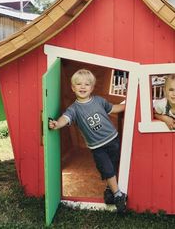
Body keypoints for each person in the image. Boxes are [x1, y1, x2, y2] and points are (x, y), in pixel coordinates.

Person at [48, 69, 127, 213]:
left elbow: (113, 108)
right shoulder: (74, 109)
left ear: (92, 87)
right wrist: (57, 124)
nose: (82, 87)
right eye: (78, 84)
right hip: (98, 147)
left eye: (86, 84)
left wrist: (129, 104)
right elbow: (65, 118)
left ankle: (109, 191)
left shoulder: (99, 100)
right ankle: (118, 196)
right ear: (73, 88)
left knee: (114, 166)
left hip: (113, 140)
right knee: (107, 169)